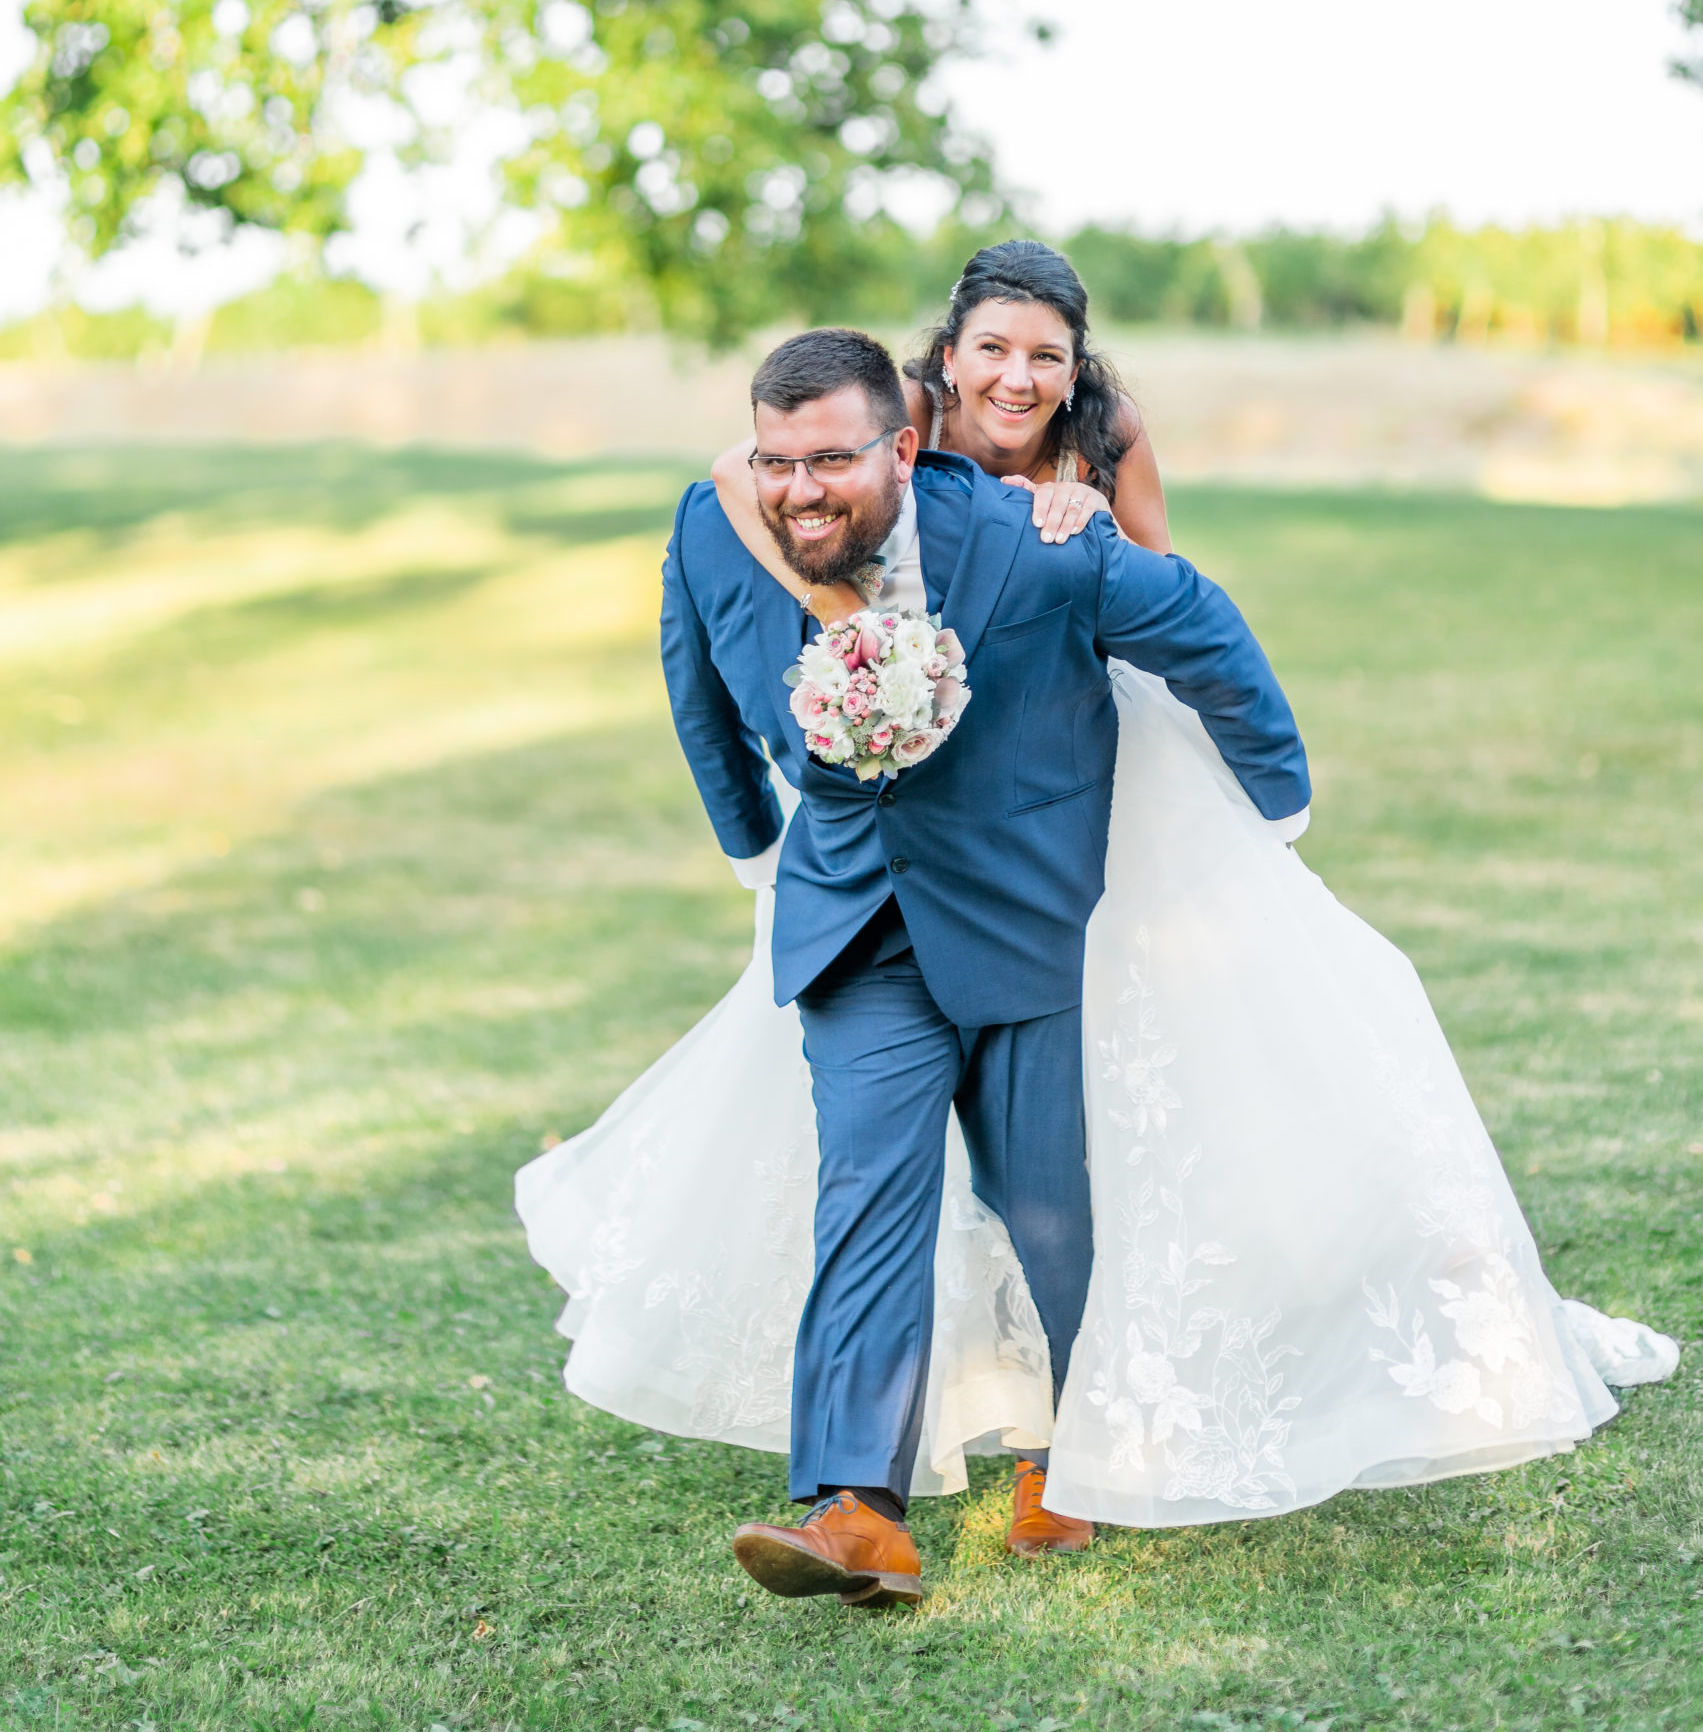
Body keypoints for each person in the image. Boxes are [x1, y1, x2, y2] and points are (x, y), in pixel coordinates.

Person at [515, 245, 1677, 1598]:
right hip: (856, 923)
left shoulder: (1037, 538)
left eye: (832, 462)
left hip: (1030, 913)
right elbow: (698, 685)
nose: (802, 490)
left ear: (906, 445)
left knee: (1048, 1207)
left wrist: (1274, 806)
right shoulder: (726, 522)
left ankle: (1071, 1449)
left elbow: (1200, 624)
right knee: (867, 1194)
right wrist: (757, 852)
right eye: (780, 463)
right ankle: (853, 1509)